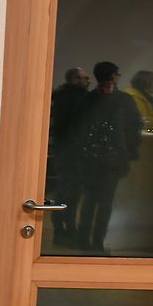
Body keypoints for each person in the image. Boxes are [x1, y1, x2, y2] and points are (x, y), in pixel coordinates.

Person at [73, 61, 141, 254]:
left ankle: (84, 240)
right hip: (112, 160)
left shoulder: (87, 100)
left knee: (90, 200)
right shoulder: (124, 101)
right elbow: (133, 128)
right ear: (113, 76)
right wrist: (130, 153)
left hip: (90, 159)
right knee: (104, 203)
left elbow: (77, 129)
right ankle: (96, 243)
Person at [47, 67, 91, 244]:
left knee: (72, 193)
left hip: (69, 152)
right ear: (74, 79)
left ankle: (68, 229)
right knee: (66, 193)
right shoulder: (67, 98)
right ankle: (61, 231)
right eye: (84, 78)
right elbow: (68, 127)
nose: (88, 81)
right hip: (68, 153)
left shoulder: (71, 96)